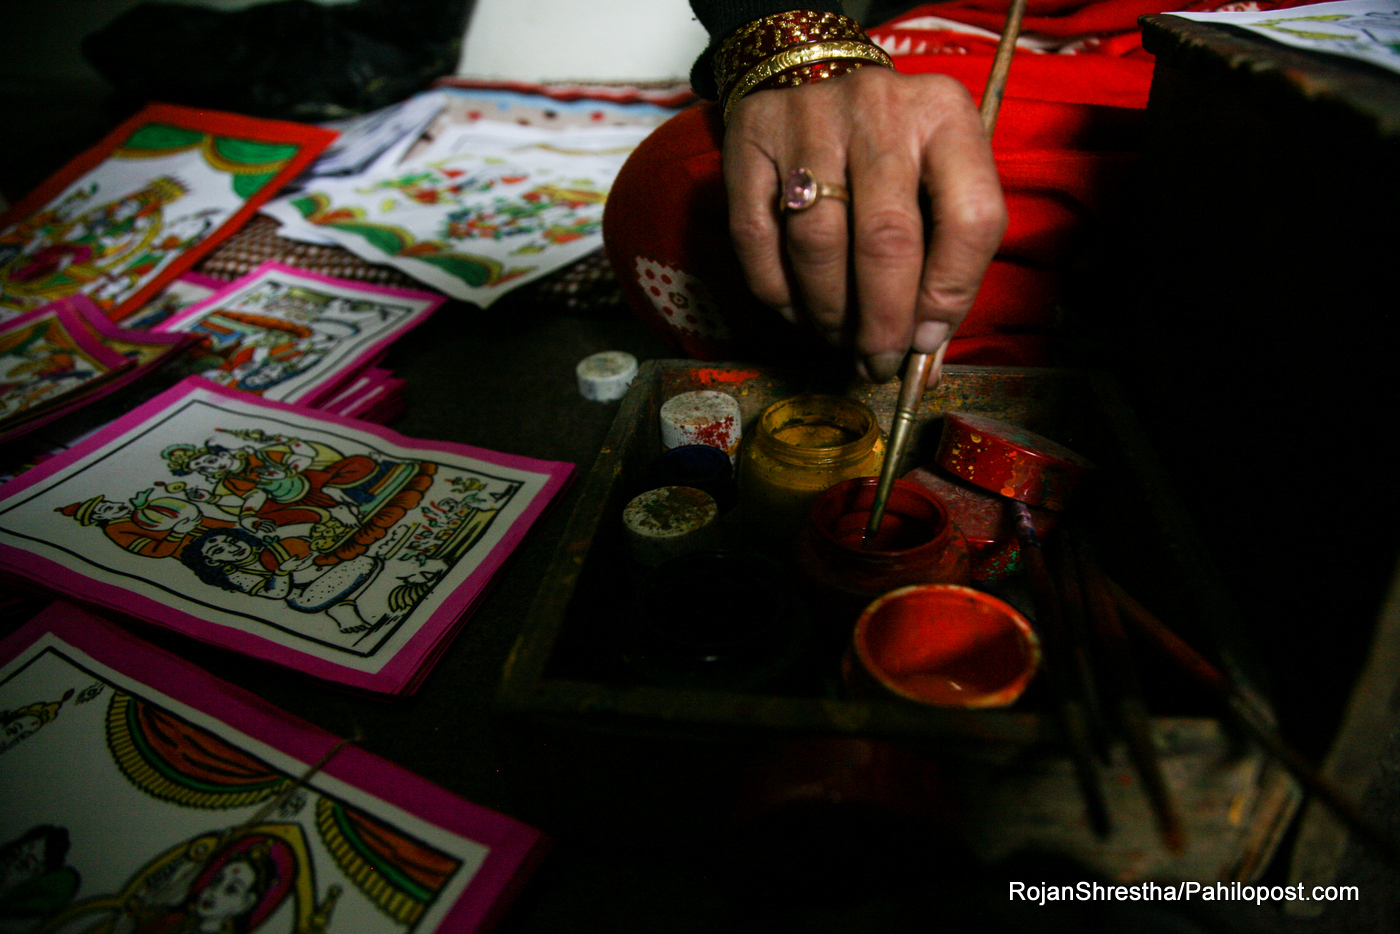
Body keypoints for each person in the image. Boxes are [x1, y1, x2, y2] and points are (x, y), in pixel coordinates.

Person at [602, 1, 1245, 381]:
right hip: (965, 26)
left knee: (1264, 167)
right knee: (678, 189)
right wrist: (795, 46)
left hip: (1208, 33)